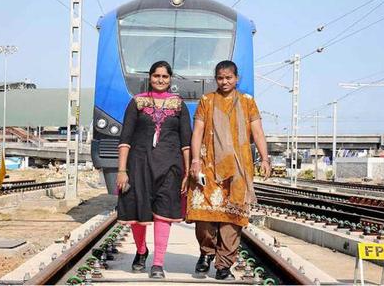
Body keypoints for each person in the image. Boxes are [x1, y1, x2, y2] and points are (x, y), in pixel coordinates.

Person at [187, 60, 271, 280]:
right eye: (220, 78)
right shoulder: (207, 100)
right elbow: (197, 132)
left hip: (239, 167)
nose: (224, 82)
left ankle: (224, 263)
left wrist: (265, 158)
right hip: (209, 165)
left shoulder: (247, 102)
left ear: (236, 78)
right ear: (216, 79)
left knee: (232, 218)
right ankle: (206, 254)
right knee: (204, 214)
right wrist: (195, 161)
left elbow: (258, 132)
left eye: (228, 78)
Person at [116, 61, 192, 279]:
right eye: (156, 75)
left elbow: (186, 141)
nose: (160, 79)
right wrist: (122, 170)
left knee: (163, 215)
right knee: (137, 213)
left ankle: (158, 263)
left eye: (165, 76)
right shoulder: (137, 103)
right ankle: (141, 250)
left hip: (170, 167)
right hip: (138, 165)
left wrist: (187, 172)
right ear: (150, 77)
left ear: (170, 79)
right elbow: (125, 139)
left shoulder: (178, 105)